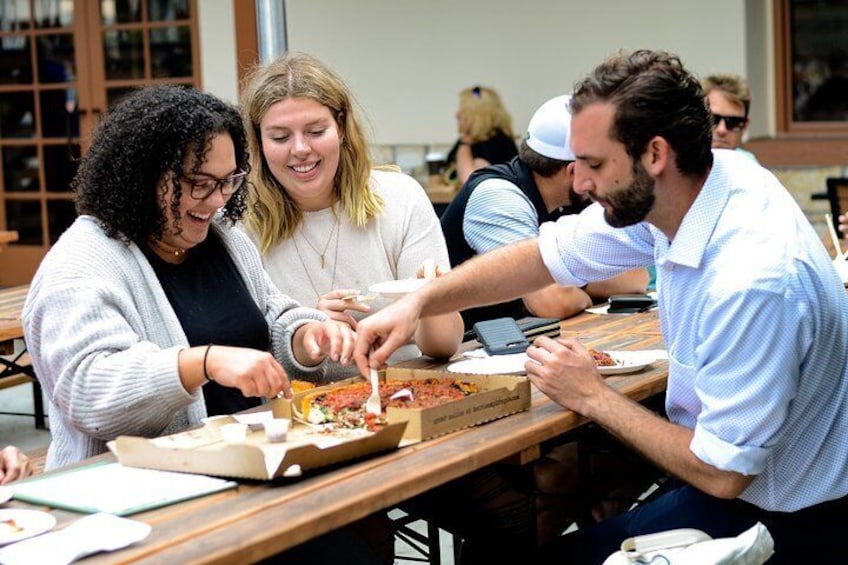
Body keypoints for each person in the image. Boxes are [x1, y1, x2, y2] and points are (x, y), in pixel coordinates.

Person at [354, 49, 848, 564]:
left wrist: (592, 395)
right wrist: (420, 301)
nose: (580, 184)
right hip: (741, 490)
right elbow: (545, 256)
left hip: (785, 523)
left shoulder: (751, 280)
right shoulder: (701, 179)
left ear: (654, 154)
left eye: (592, 164)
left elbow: (722, 472)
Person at [23, 85, 357, 472]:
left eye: (228, 180)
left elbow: (267, 318)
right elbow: (90, 395)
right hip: (139, 492)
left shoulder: (223, 238)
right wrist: (203, 363)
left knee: (364, 519)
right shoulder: (82, 262)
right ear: (143, 177)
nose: (217, 200)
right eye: (199, 183)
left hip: (249, 467)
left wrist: (303, 339)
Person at [240, 52, 463, 379]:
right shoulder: (239, 226)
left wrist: (427, 300)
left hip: (405, 395)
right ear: (258, 142)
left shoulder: (400, 198)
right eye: (280, 137)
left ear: (341, 127)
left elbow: (443, 346)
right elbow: (241, 356)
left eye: (316, 131)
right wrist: (307, 332)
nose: (300, 149)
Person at [440, 94, 648, 330]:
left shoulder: (565, 199)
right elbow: (551, 303)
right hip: (465, 355)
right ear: (573, 172)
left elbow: (635, 279)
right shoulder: (498, 197)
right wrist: (576, 281)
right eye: (598, 166)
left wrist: (570, 283)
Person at [442, 85, 518, 187]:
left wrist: (465, 143)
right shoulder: (472, 140)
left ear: (476, 115)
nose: (457, 115)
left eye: (463, 111)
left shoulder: (495, 144)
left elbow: (470, 182)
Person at [702, 73, 759, 162]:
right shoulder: (675, 164)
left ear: (745, 127)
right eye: (713, 119)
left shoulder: (750, 166)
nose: (722, 130)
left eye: (734, 122)